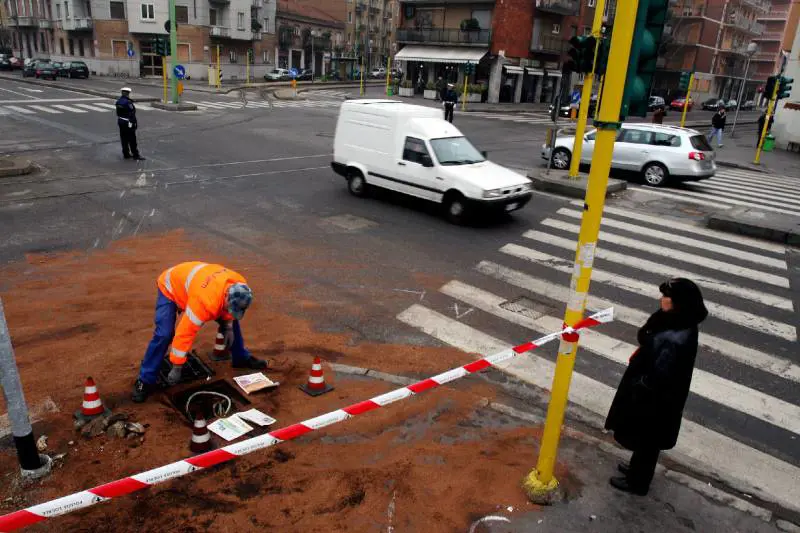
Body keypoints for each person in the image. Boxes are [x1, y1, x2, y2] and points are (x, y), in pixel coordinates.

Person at [605, 278, 708, 495]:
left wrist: (638, 386)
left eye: (666, 297)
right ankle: (635, 470)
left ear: (677, 302)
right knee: (646, 441)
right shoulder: (677, 321)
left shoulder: (675, 339)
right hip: (659, 397)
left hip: (655, 400)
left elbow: (659, 375)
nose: (662, 300)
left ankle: (637, 482)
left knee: (647, 441)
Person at [132, 262, 268, 402]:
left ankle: (240, 358)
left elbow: (232, 310)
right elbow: (185, 332)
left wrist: (227, 325)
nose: (232, 311)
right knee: (164, 334)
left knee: (233, 324)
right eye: (231, 307)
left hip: (196, 284)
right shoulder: (204, 303)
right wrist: (177, 366)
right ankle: (145, 380)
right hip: (171, 287)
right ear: (226, 296)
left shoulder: (240, 286)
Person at [115, 87, 145, 161]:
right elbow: (132, 113)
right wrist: (134, 123)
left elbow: (118, 113)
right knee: (132, 139)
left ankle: (126, 154)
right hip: (128, 122)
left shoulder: (118, 101)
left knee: (123, 138)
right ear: (128, 94)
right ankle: (135, 154)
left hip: (120, 121)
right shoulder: (128, 102)